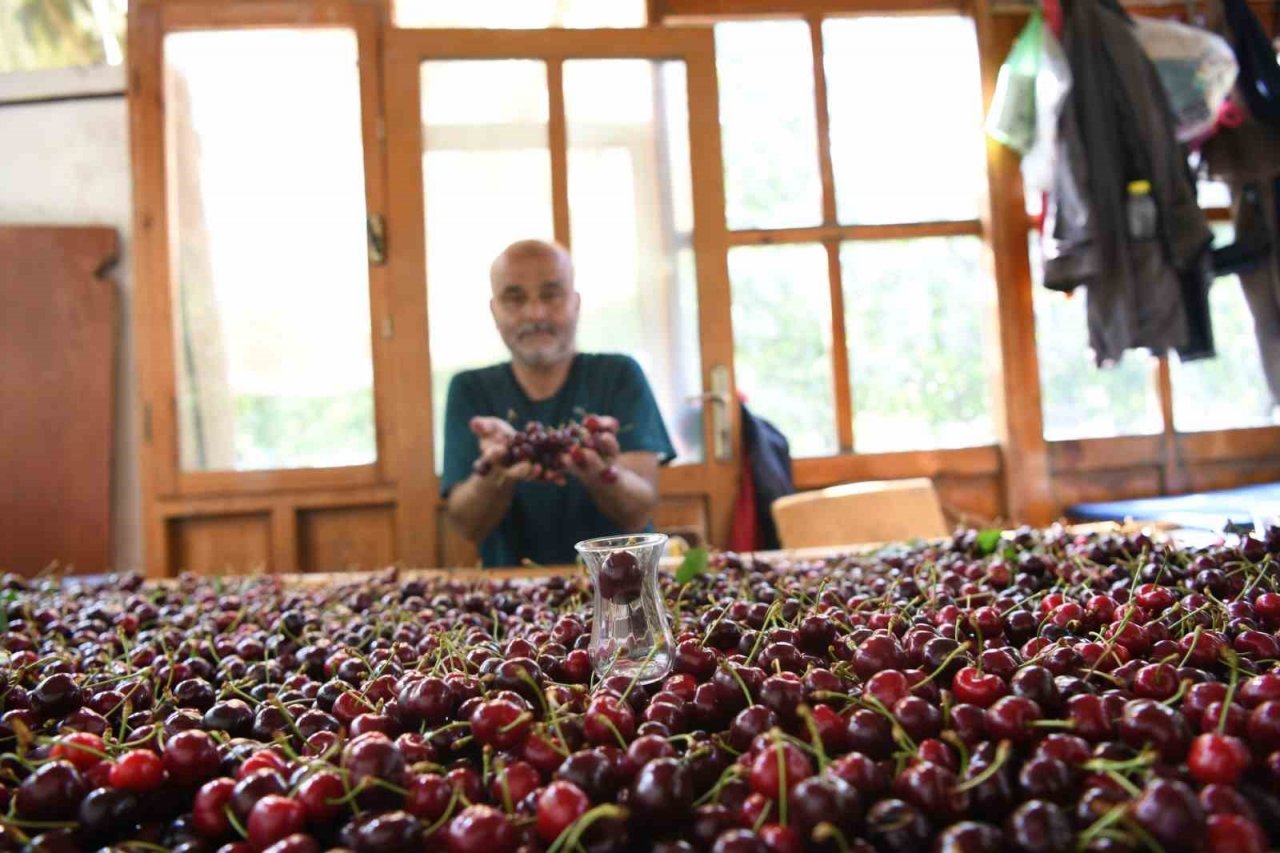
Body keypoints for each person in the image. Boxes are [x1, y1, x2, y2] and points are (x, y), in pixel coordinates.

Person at [441, 239, 676, 567]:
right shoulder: (471, 390)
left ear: (576, 303)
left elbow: (638, 512)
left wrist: (602, 473)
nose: (535, 313)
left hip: (618, 585)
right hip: (516, 595)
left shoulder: (619, 375)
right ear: (494, 310)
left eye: (551, 295)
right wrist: (495, 472)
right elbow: (467, 525)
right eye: (515, 298)